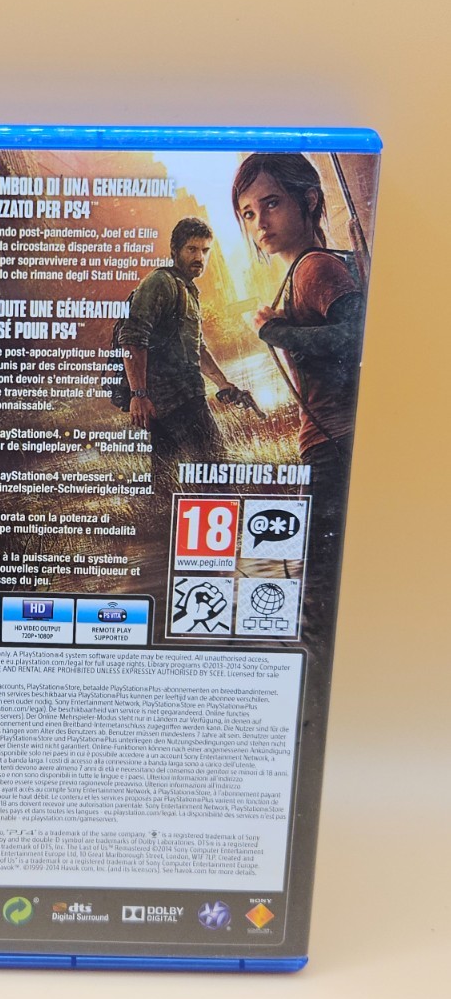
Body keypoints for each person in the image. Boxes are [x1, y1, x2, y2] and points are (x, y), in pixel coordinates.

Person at [232, 151, 366, 644]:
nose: (259, 223)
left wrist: (276, 332)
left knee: (317, 587)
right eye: (248, 213)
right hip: (330, 443)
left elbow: (356, 338)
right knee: (319, 582)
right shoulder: (303, 272)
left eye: (271, 204)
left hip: (334, 444)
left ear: (308, 200)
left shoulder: (315, 269)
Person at [117, 217, 258, 461]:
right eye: (192, 249)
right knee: (217, 467)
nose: (199, 257)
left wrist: (222, 383)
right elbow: (131, 339)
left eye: (205, 250)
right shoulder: (160, 282)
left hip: (184, 399)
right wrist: (138, 395)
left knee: (168, 475)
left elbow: (197, 348)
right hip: (174, 401)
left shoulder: (188, 291)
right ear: (175, 250)